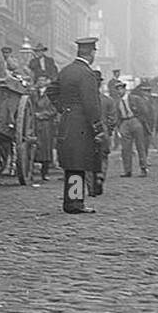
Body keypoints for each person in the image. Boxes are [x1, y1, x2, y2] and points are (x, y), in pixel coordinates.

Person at [46, 36, 107, 214]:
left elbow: (51, 91)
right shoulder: (87, 74)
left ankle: (71, 202)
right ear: (92, 53)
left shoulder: (66, 71)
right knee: (78, 163)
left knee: (72, 163)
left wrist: (63, 108)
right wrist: (97, 126)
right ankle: (75, 204)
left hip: (67, 121)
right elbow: (91, 104)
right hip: (81, 124)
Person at [114, 83, 149, 177]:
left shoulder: (135, 98)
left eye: (121, 89)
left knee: (140, 146)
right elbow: (117, 115)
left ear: (125, 90)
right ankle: (127, 170)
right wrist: (119, 127)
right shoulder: (117, 102)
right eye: (117, 90)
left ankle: (143, 169)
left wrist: (139, 120)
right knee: (125, 149)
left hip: (135, 120)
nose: (119, 91)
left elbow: (144, 110)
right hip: (124, 123)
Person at [94, 71, 118, 194]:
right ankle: (100, 176)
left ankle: (91, 184)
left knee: (88, 157)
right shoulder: (108, 100)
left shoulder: (84, 101)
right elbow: (113, 119)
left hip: (87, 133)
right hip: (104, 133)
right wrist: (108, 131)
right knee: (103, 157)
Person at [31, 72, 57, 182]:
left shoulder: (51, 94)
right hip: (33, 124)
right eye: (39, 80)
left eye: (43, 80)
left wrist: (42, 115)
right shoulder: (32, 94)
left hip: (46, 125)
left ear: (47, 81)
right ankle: (30, 171)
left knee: (46, 149)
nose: (41, 82)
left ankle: (44, 173)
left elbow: (54, 109)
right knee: (32, 147)